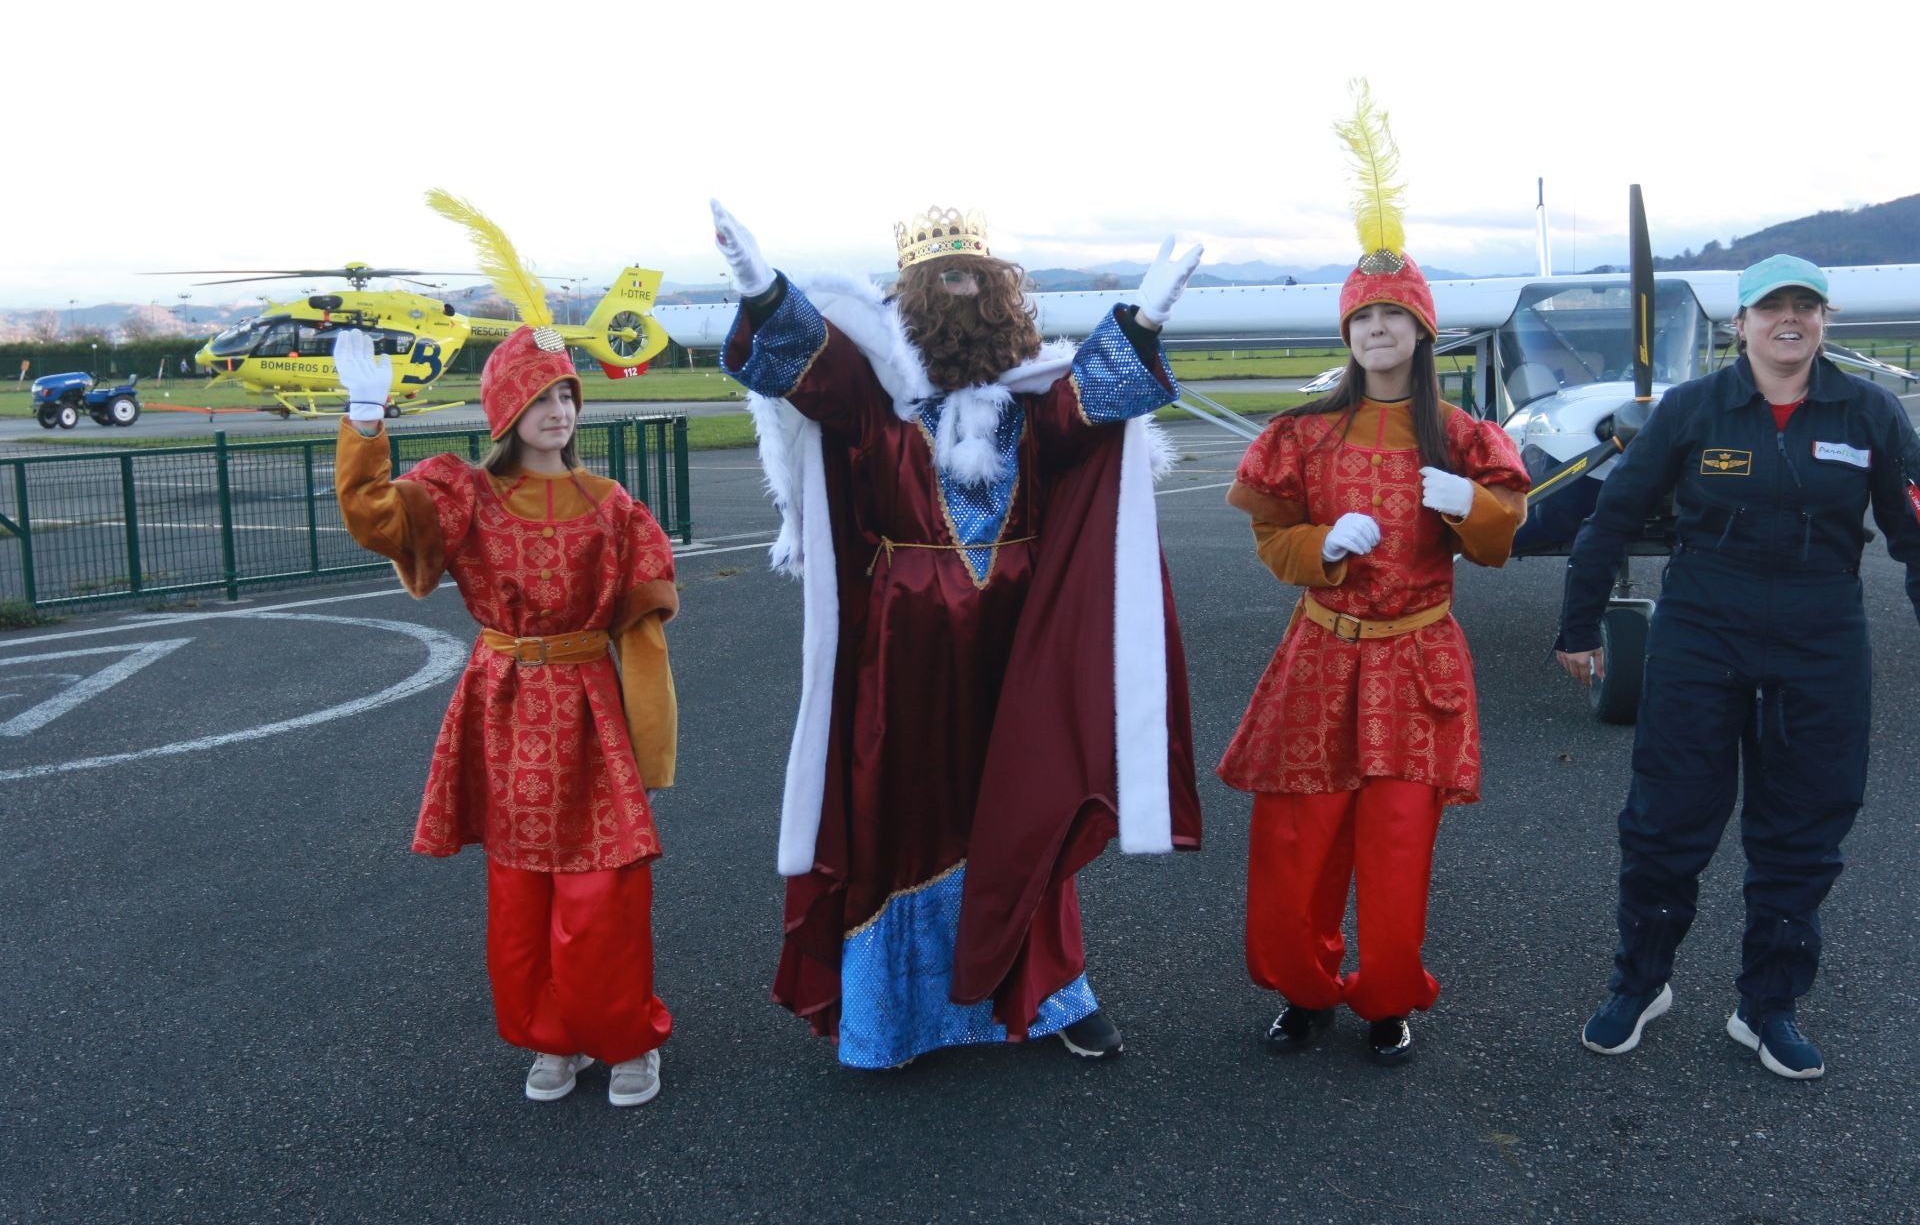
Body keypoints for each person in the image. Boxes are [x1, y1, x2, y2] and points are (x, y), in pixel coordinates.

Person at [710, 200, 1203, 1069]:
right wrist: (764, 292)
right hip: (902, 645)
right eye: (941, 281)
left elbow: (1088, 409)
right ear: (912, 300)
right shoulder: (877, 401)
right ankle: (893, 1013)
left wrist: (1143, 318)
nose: (959, 290)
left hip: (1021, 640)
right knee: (899, 803)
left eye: (973, 276)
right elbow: (809, 372)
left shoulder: (1029, 405)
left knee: (1028, 795)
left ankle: (1048, 992)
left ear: (1002, 295)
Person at [332, 193, 679, 1106]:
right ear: (504, 408)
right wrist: (366, 421)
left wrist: (653, 740)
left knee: (603, 886)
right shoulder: (463, 499)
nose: (559, 410)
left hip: (588, 704)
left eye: (568, 393)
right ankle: (549, 1035)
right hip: (502, 700)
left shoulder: (616, 508)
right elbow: (376, 518)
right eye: (540, 395)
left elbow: (641, 631)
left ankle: (625, 1035)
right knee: (521, 892)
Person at [1218, 86, 1530, 1064]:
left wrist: (1465, 504)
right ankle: (1303, 989)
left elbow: (1501, 541)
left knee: (1398, 848)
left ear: (1422, 333)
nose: (1379, 332)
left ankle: (1386, 995)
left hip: (1416, 660)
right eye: (1365, 318)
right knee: (1296, 841)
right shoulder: (1302, 435)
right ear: (1347, 335)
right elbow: (1272, 542)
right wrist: (1320, 547)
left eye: (1396, 317)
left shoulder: (1467, 436)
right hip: (1321, 655)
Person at [1558, 254, 1920, 1080]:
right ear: (1741, 323)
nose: (1788, 321)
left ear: (1826, 321)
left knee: (1803, 831)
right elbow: (1610, 519)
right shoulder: (1693, 410)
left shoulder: (1871, 413)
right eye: (1771, 308)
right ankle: (1640, 984)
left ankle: (1767, 1006)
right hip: (1700, 637)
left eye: (1806, 307)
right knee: (1665, 822)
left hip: (1822, 641)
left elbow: (1911, 531)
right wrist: (1578, 627)